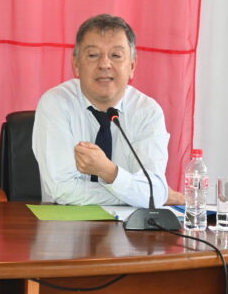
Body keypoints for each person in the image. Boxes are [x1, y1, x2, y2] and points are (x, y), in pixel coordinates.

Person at [32, 13, 184, 207]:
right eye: (93, 55)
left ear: (132, 66)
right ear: (76, 64)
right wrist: (137, 195)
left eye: (116, 56)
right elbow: (62, 190)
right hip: (65, 228)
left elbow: (153, 191)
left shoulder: (147, 112)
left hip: (131, 233)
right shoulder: (56, 104)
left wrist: (109, 172)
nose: (104, 64)